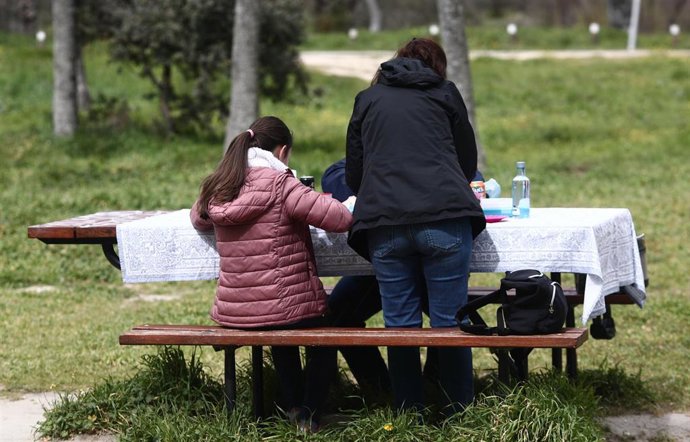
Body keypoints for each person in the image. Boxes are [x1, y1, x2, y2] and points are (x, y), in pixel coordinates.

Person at [345, 38, 486, 415]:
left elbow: (355, 175)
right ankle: (459, 412)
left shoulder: (367, 99)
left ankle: (408, 413)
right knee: (450, 322)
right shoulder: (445, 93)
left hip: (385, 225)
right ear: (436, 67)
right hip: (444, 219)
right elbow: (467, 164)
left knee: (400, 326)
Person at [190, 116, 353, 431]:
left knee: (283, 325)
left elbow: (199, 218)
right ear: (282, 152)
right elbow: (339, 219)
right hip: (281, 308)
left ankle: (292, 406)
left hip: (236, 312)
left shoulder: (221, 184)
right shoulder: (281, 184)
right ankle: (309, 413)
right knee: (322, 329)